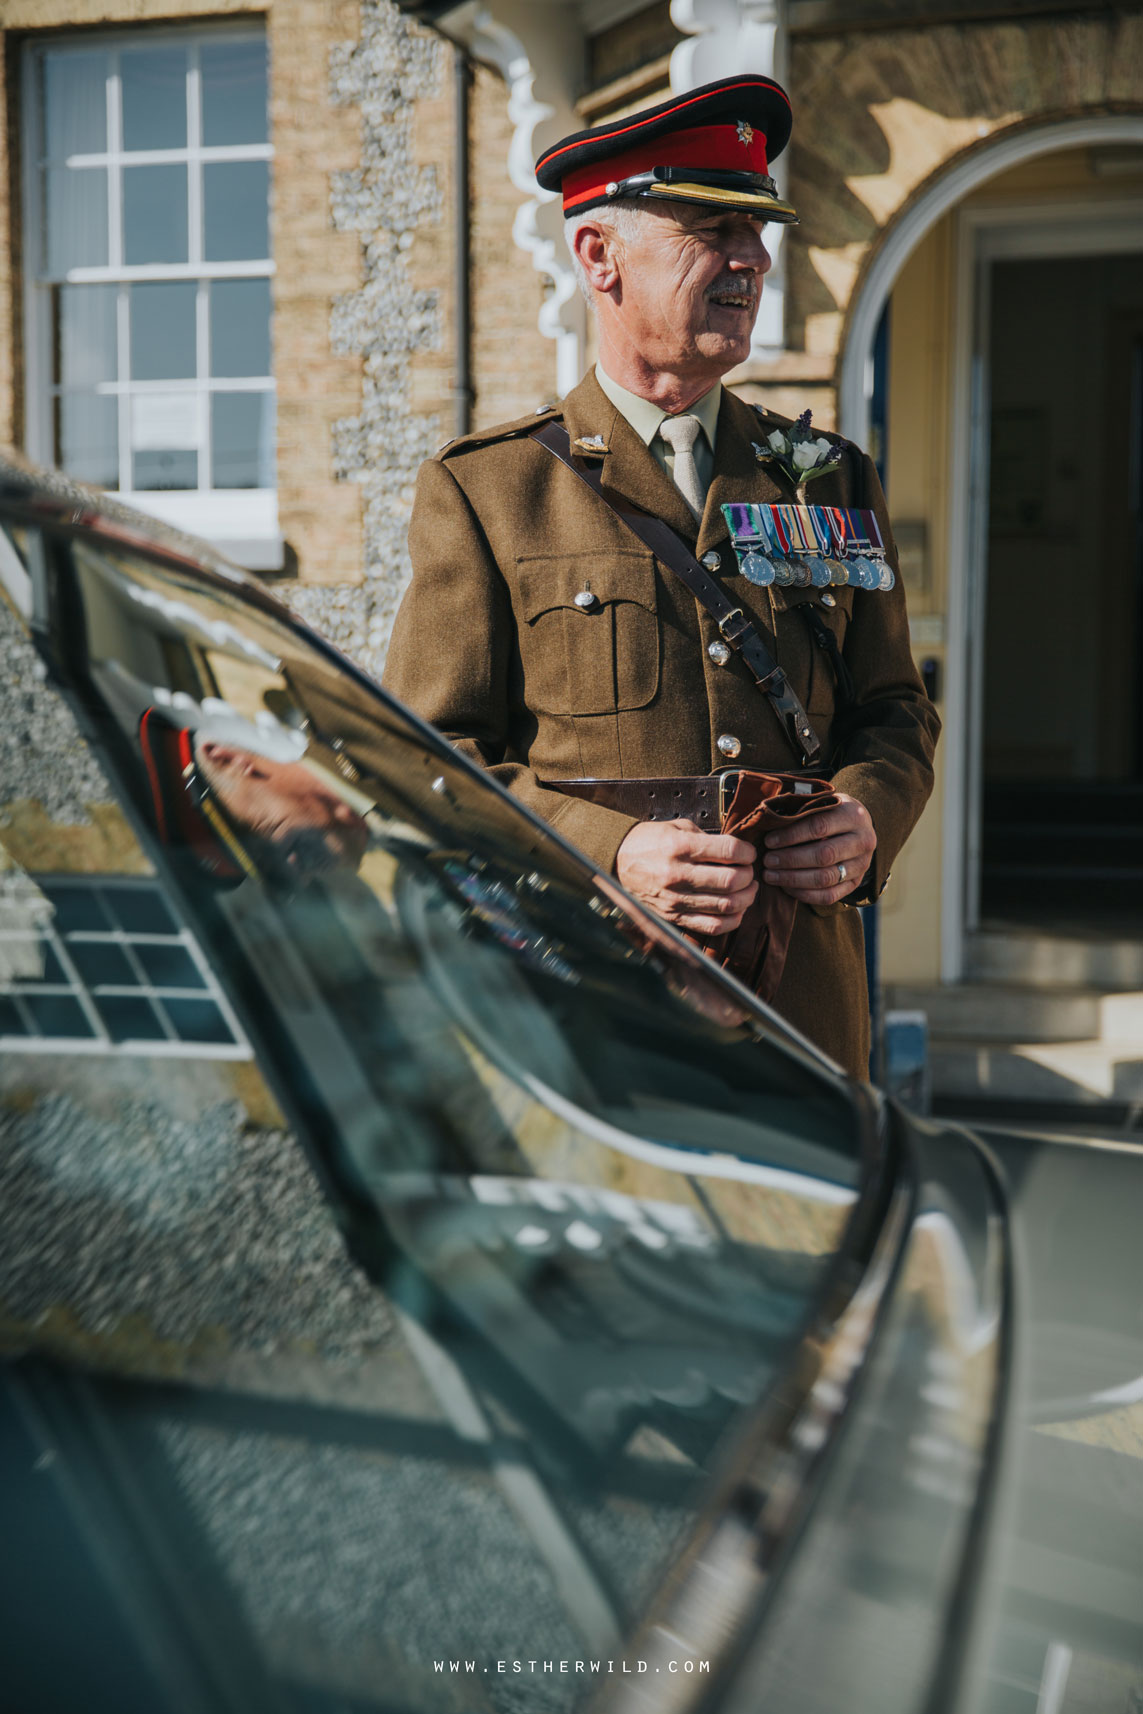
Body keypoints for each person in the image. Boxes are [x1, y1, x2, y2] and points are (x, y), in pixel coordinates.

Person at [383, 75, 940, 1077]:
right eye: (711, 230)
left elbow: (896, 710)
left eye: (758, 232)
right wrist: (609, 853)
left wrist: (865, 819)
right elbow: (429, 761)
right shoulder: (491, 489)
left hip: (804, 1019)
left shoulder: (827, 477)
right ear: (599, 255)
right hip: (593, 1022)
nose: (752, 259)